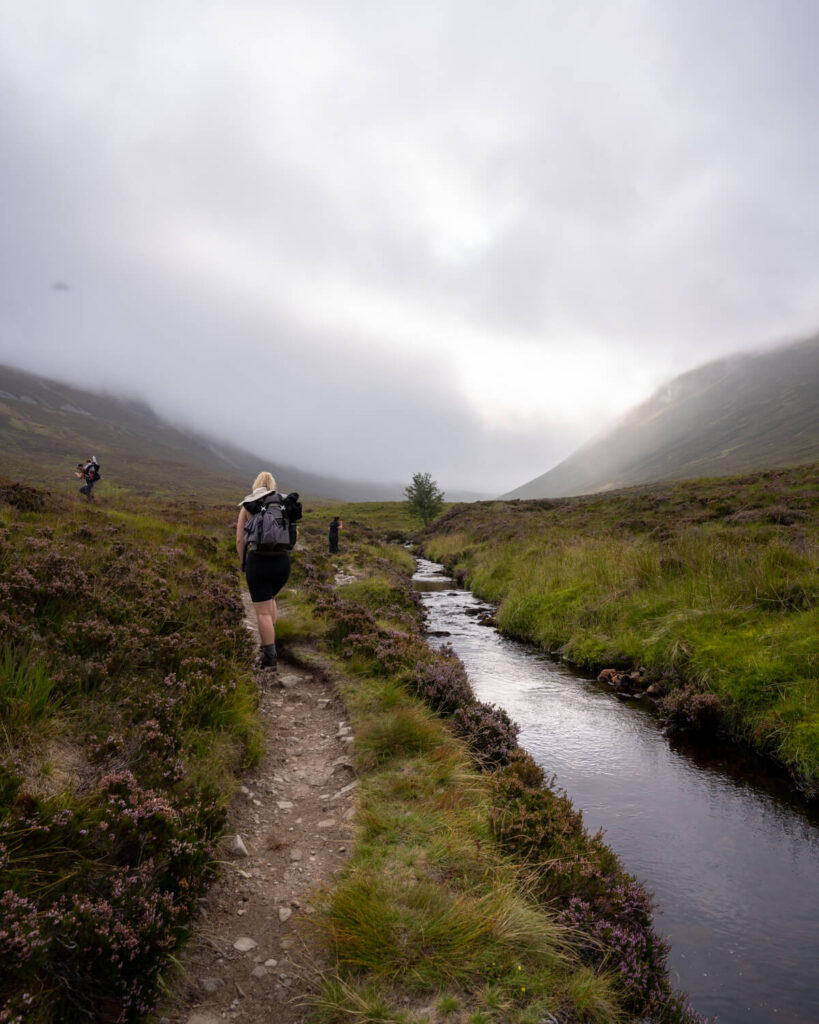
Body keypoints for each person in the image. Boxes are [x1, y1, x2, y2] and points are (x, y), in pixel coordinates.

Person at [236, 472, 293, 670]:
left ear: (256, 485)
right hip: (282, 563)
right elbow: (294, 534)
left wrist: (243, 562)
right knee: (271, 599)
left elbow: (239, 539)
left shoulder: (249, 503)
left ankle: (269, 658)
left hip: (258, 562)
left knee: (262, 613)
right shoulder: (284, 504)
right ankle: (272, 639)